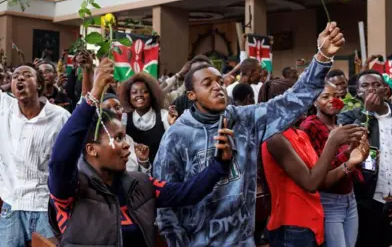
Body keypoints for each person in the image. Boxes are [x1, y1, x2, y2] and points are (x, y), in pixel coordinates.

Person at [153, 22, 346, 246]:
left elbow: (292, 101)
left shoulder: (244, 120)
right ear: (192, 95)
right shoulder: (176, 137)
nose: (217, 87)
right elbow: (165, 202)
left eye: (219, 81)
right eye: (207, 84)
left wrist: (322, 57)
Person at [48, 61, 234, 246]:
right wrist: (93, 97)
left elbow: (186, 193)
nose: (126, 145)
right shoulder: (72, 189)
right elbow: (60, 160)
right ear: (91, 149)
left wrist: (219, 165)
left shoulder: (140, 184)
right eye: (118, 138)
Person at [0, 7, 71, 246]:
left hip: (46, 207)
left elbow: (69, 161)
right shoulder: (2, 107)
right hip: (12, 205)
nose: (19, 79)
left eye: (27, 75)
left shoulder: (60, 117)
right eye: (15, 77)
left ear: (40, 85)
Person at [262, 80, 367, 247]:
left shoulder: (299, 135)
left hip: (312, 220)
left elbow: (320, 179)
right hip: (292, 226)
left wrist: (350, 159)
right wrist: (332, 142)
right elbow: (310, 183)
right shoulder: (276, 138)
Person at [300, 82, 364, 246]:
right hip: (329, 202)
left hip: (350, 199)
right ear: (314, 101)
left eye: (336, 96)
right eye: (325, 97)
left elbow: (347, 160)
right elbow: (318, 170)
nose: (332, 100)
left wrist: (357, 150)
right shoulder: (310, 126)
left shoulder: (339, 126)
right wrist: (349, 158)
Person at [338, 69, 392, 247]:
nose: (372, 90)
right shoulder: (350, 116)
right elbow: (350, 144)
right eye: (366, 86)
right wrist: (367, 113)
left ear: (385, 89)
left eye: (377, 85)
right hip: (369, 198)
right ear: (358, 92)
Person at [118, 73, 176, 163]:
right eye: (134, 92)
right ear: (128, 97)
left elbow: (174, 143)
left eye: (144, 91)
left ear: (152, 95)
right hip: (134, 173)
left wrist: (173, 125)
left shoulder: (163, 115)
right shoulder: (124, 118)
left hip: (159, 171)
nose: (139, 95)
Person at [101, 93, 152, 173]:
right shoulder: (100, 142)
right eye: (107, 109)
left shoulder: (129, 140)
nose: (114, 112)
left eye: (117, 107)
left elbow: (140, 177)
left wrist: (143, 161)